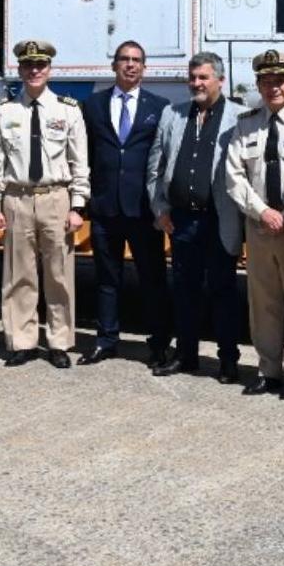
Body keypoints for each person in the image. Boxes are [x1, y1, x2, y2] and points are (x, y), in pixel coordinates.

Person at [0, 40, 89, 369]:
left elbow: (79, 163)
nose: (34, 71)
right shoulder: (5, 112)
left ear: (49, 69)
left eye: (40, 65)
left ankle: (59, 341)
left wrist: (78, 205)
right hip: (17, 197)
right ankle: (22, 340)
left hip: (55, 197)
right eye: (28, 66)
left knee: (59, 275)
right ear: (19, 69)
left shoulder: (68, 110)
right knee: (18, 275)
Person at [147, 52, 247, 382]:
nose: (196, 84)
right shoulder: (172, 115)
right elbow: (156, 166)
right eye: (192, 78)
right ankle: (186, 355)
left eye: (203, 78)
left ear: (220, 80)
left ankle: (228, 360)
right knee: (185, 290)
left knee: (223, 291)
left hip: (220, 219)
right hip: (181, 221)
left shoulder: (239, 116)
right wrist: (160, 210)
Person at [222, 49, 284, 399]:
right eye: (266, 81)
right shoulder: (245, 124)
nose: (273, 87)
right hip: (260, 228)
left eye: (280, 80)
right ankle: (268, 370)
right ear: (259, 84)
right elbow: (234, 176)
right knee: (263, 304)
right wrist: (262, 212)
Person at [81, 40, 171, 366]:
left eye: (136, 60)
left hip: (143, 210)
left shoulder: (159, 108)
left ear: (144, 68)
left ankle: (159, 343)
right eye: (124, 59)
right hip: (105, 208)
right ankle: (106, 340)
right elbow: (85, 155)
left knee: (152, 279)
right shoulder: (92, 105)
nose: (130, 65)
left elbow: (162, 160)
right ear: (114, 65)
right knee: (107, 279)